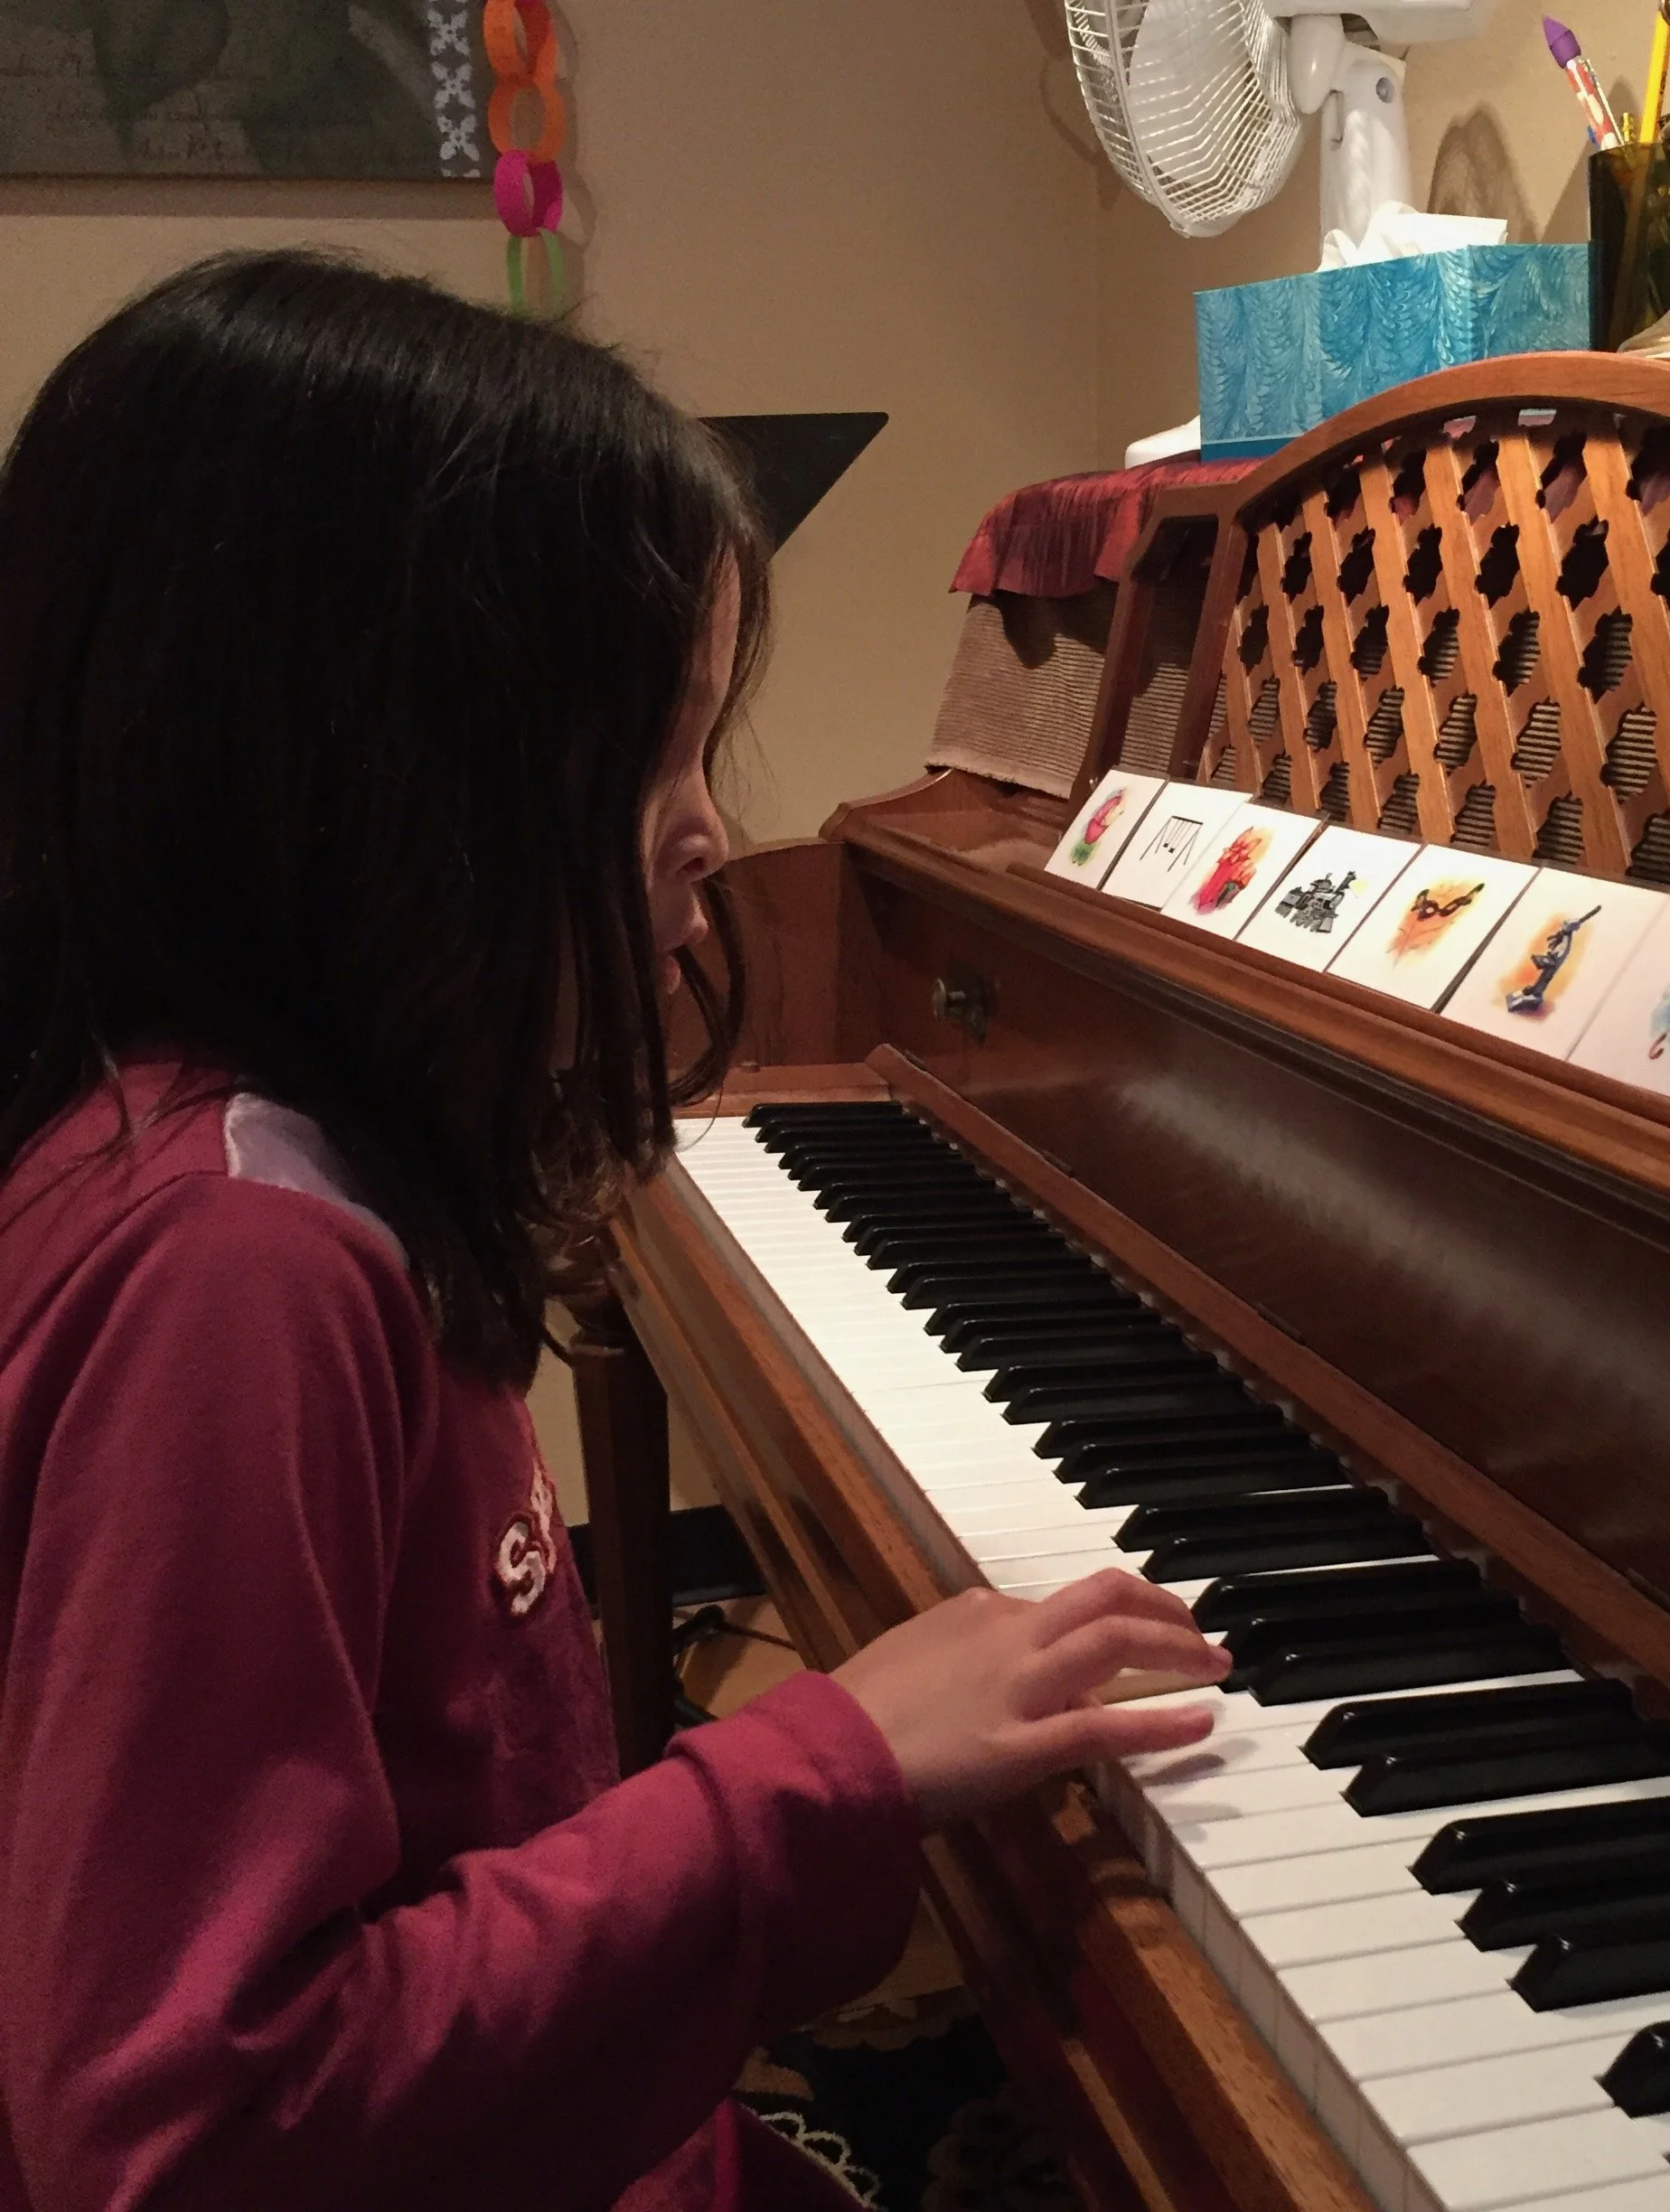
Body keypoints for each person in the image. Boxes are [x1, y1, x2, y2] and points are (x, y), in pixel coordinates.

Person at [0, 252, 1226, 2212]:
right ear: (376, 779)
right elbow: (184, 2132)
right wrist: (825, 1764)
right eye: (654, 752)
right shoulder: (235, 1279)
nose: (712, 831)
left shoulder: (249, 1150)